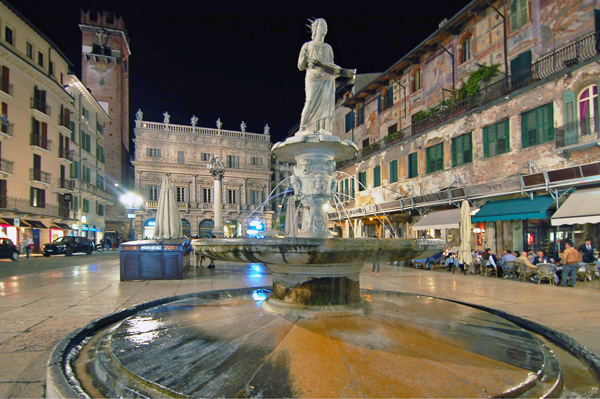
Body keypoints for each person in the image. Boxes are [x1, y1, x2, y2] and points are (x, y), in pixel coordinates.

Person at [298, 18, 355, 133]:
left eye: (326, 26)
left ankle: (324, 128)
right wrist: (305, 58)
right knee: (310, 102)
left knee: (326, 104)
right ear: (315, 28)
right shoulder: (308, 45)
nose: (325, 28)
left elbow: (331, 66)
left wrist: (346, 72)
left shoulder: (328, 48)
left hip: (327, 79)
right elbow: (300, 66)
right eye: (322, 25)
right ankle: (303, 127)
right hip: (313, 78)